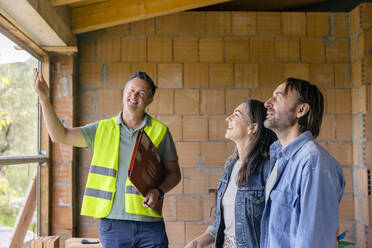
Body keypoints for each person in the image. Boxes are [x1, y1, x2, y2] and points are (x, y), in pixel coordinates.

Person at [33, 69, 181, 248]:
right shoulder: (102, 129)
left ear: (149, 100)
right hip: (113, 225)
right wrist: (44, 99)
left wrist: (159, 191)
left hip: (150, 225)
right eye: (131, 90)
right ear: (123, 92)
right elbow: (60, 136)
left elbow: (174, 174)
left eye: (141, 93)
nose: (134, 96)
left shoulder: (160, 131)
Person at [260, 78, 345, 248]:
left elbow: (315, 242)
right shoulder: (280, 159)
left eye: (278, 96)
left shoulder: (314, 164)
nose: (267, 103)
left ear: (301, 110)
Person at [185, 98, 277, 248]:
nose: (228, 119)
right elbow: (222, 224)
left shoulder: (268, 169)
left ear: (252, 127)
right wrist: (197, 242)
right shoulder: (231, 166)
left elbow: (275, 226)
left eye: (236, 115)